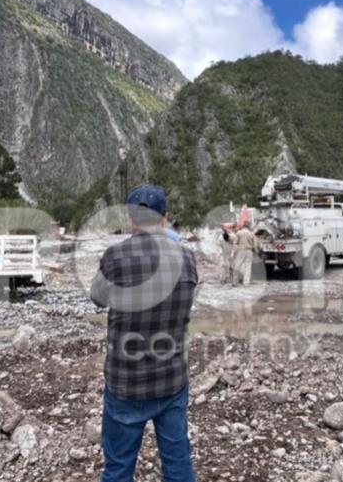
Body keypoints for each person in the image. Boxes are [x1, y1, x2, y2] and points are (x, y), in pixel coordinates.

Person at [90, 185, 198, 482]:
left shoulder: (115, 256)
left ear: (130, 217)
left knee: (119, 468)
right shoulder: (187, 258)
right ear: (165, 217)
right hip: (172, 380)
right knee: (178, 464)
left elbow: (97, 298)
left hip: (127, 383)